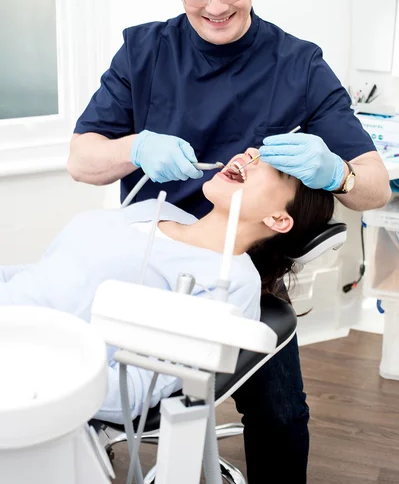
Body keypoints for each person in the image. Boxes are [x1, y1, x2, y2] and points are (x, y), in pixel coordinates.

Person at [67, 0, 391, 482]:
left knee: (281, 412)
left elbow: (370, 186)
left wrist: (335, 172)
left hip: (239, 270)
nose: (215, 5)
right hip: (152, 256)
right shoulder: (143, 53)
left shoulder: (298, 65)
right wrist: (135, 146)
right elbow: (82, 159)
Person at [0, 150, 333, 423]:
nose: (249, 156)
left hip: (26, 369)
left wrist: (34, 379)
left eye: (273, 169)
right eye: (254, 151)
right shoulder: (155, 209)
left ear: (278, 219)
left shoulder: (229, 283)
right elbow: (48, 274)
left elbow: (135, 392)